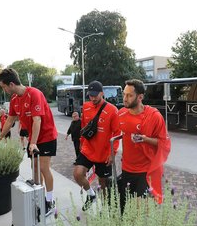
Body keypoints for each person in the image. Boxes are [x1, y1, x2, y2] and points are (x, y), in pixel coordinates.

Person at [0, 68, 58, 216]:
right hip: (33, 139)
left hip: (46, 136)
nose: (3, 89)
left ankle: (50, 201)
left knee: (43, 167)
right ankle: (40, 197)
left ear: (11, 84)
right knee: (34, 168)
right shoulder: (15, 99)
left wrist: (33, 143)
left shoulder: (34, 93)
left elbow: (37, 120)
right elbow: (10, 120)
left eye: (3, 86)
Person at [118, 79, 171, 212]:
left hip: (145, 171)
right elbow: (113, 134)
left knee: (139, 210)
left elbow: (164, 143)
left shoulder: (154, 116)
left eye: (129, 95)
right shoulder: (121, 114)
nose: (125, 98)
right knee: (124, 210)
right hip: (126, 169)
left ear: (140, 97)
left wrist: (145, 139)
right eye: (124, 94)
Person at [73, 80, 120, 211]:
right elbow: (84, 127)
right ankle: (91, 194)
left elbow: (117, 133)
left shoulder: (112, 110)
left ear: (102, 94)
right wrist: (82, 145)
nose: (92, 98)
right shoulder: (86, 107)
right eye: (90, 95)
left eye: (95, 95)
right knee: (77, 174)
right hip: (87, 150)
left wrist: (113, 153)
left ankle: (105, 211)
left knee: (103, 184)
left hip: (104, 154)